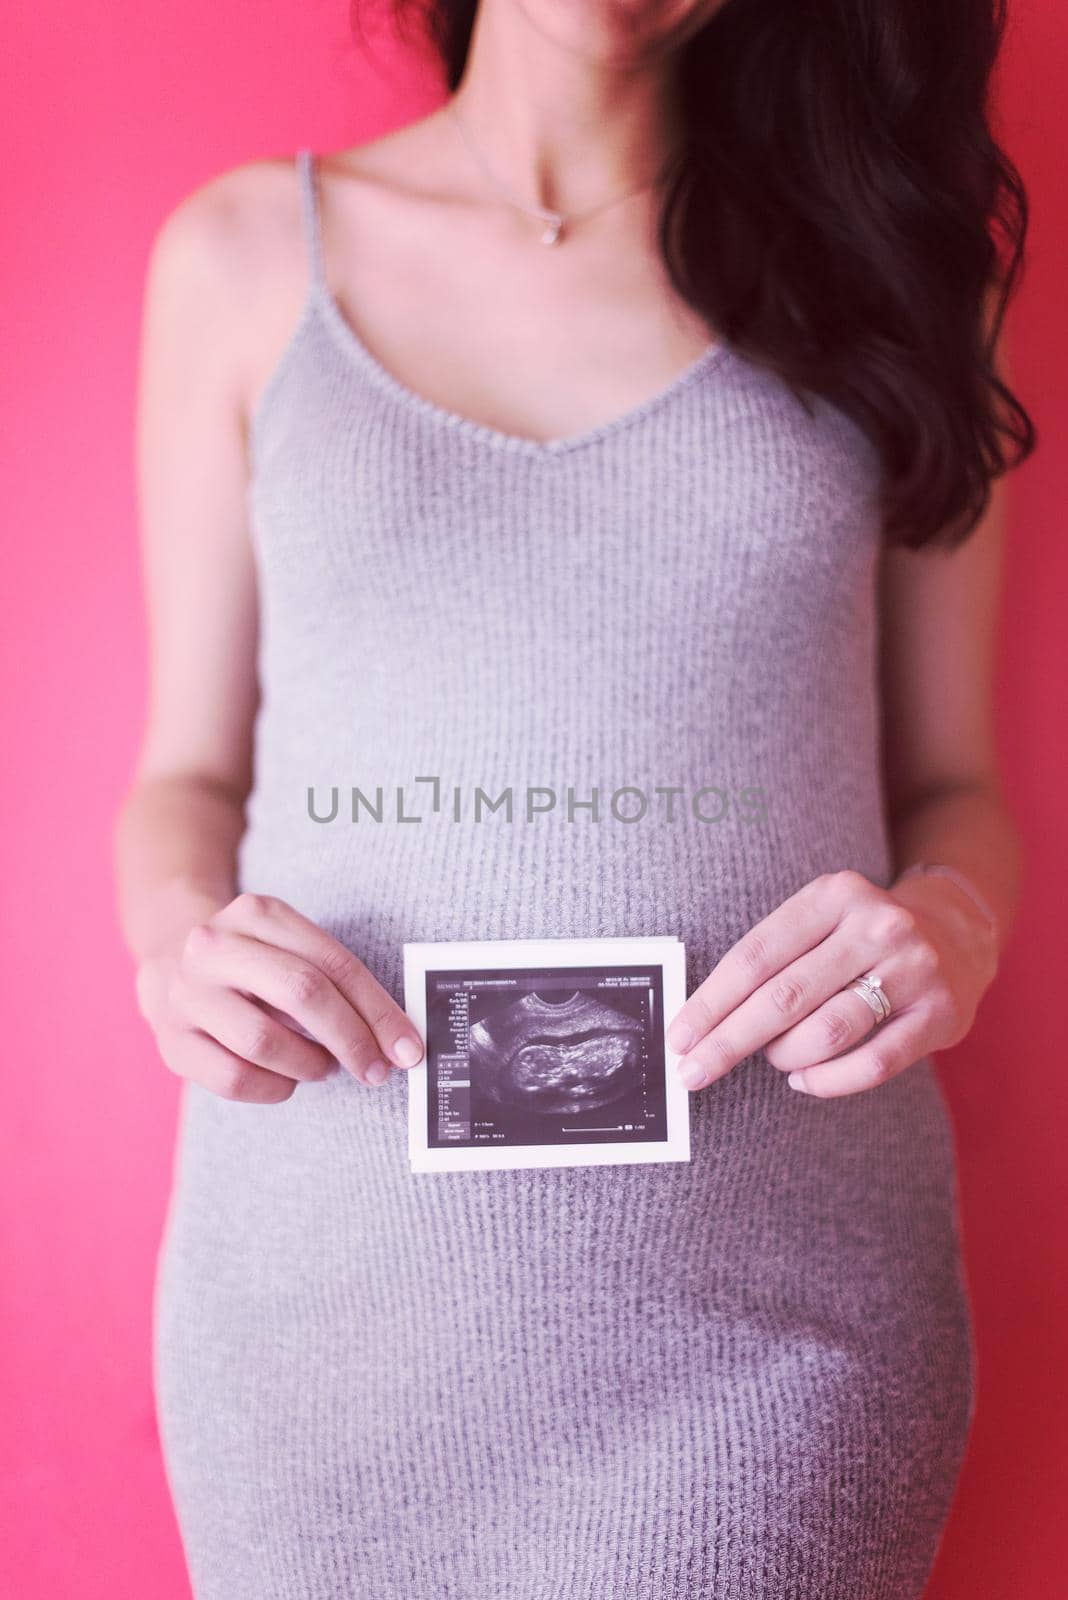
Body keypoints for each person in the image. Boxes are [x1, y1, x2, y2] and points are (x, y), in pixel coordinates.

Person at [113, 1, 1035, 1595]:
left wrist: (951, 929)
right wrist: (180, 946)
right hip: (325, 1327)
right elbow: (183, 778)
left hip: (776, 1326)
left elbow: (957, 784)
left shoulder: (893, 274)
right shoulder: (244, 261)